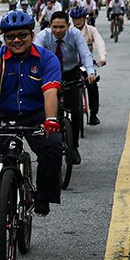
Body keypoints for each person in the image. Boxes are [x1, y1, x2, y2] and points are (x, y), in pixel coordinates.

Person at [0, 11, 63, 232]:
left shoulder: (47, 59)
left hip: (38, 115)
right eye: (10, 36)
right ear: (4, 38)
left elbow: (50, 92)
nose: (16, 40)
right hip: (3, 116)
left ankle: (43, 196)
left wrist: (51, 120)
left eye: (22, 35)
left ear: (32, 34)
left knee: (53, 147)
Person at [35, 11, 96, 164]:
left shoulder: (75, 35)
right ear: (50, 26)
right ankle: (45, 146)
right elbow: (34, 56)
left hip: (71, 73)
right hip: (49, 74)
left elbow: (85, 54)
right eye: (55, 27)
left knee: (75, 111)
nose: (58, 30)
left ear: (68, 26)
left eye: (62, 27)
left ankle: (73, 147)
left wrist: (90, 72)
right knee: (45, 112)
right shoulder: (43, 36)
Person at [70, 6, 106, 125]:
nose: (78, 21)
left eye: (80, 18)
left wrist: (102, 58)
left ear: (85, 18)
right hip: (71, 64)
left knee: (92, 85)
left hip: (87, 64)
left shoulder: (91, 30)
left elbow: (99, 42)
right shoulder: (68, 31)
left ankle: (93, 115)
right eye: (75, 19)